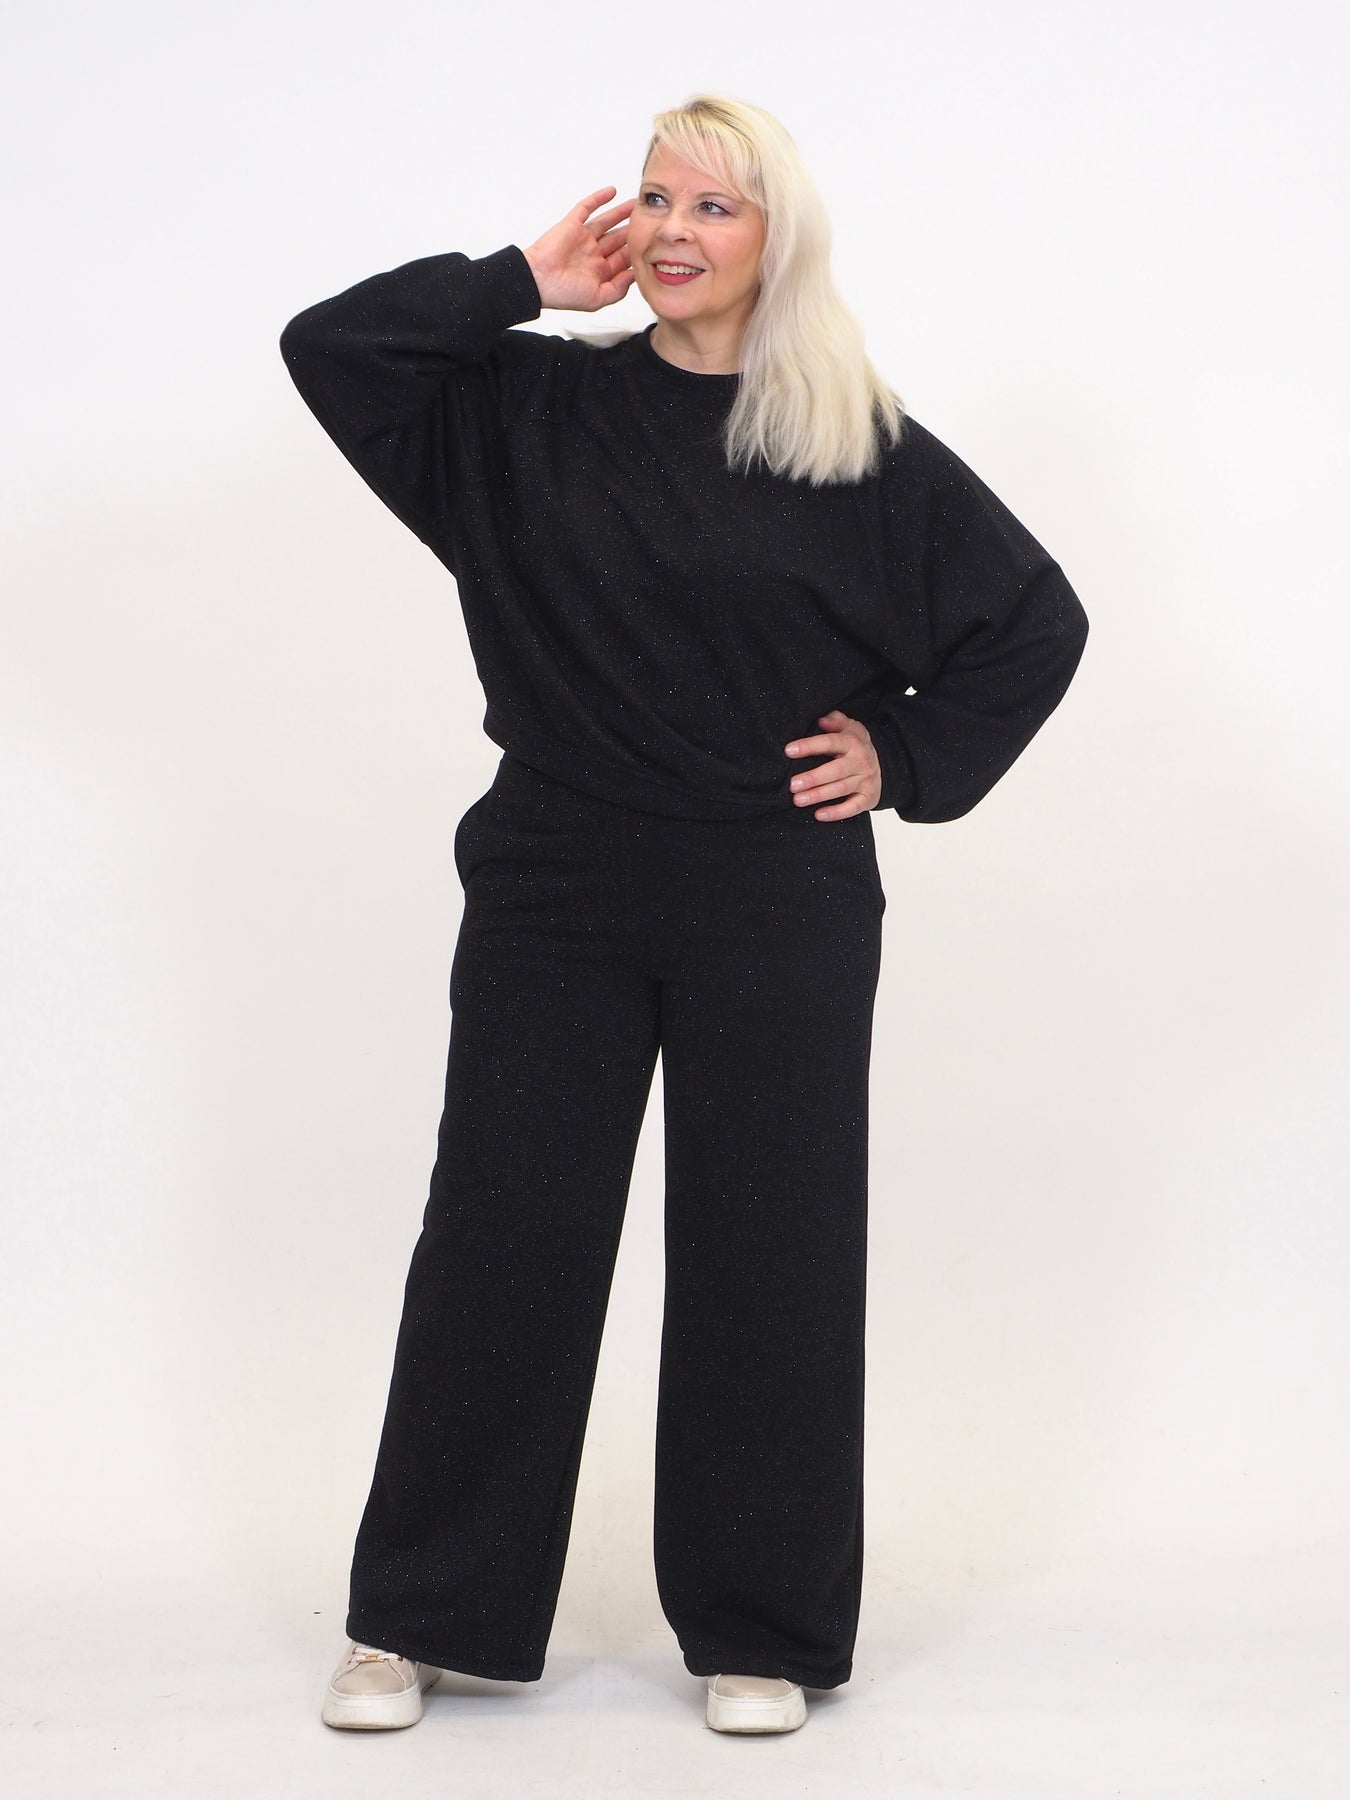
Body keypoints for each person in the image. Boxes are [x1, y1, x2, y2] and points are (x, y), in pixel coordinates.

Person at [279, 92, 1089, 1738]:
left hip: (772, 894)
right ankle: (420, 1615)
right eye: (653, 197)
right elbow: (331, 349)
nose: (668, 229)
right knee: (501, 1241)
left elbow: (1033, 621)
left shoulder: (852, 444)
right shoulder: (522, 407)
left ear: (775, 237)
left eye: (712, 205)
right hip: (555, 881)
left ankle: (761, 1631)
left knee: (767, 1253)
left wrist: (905, 754)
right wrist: (516, 280)